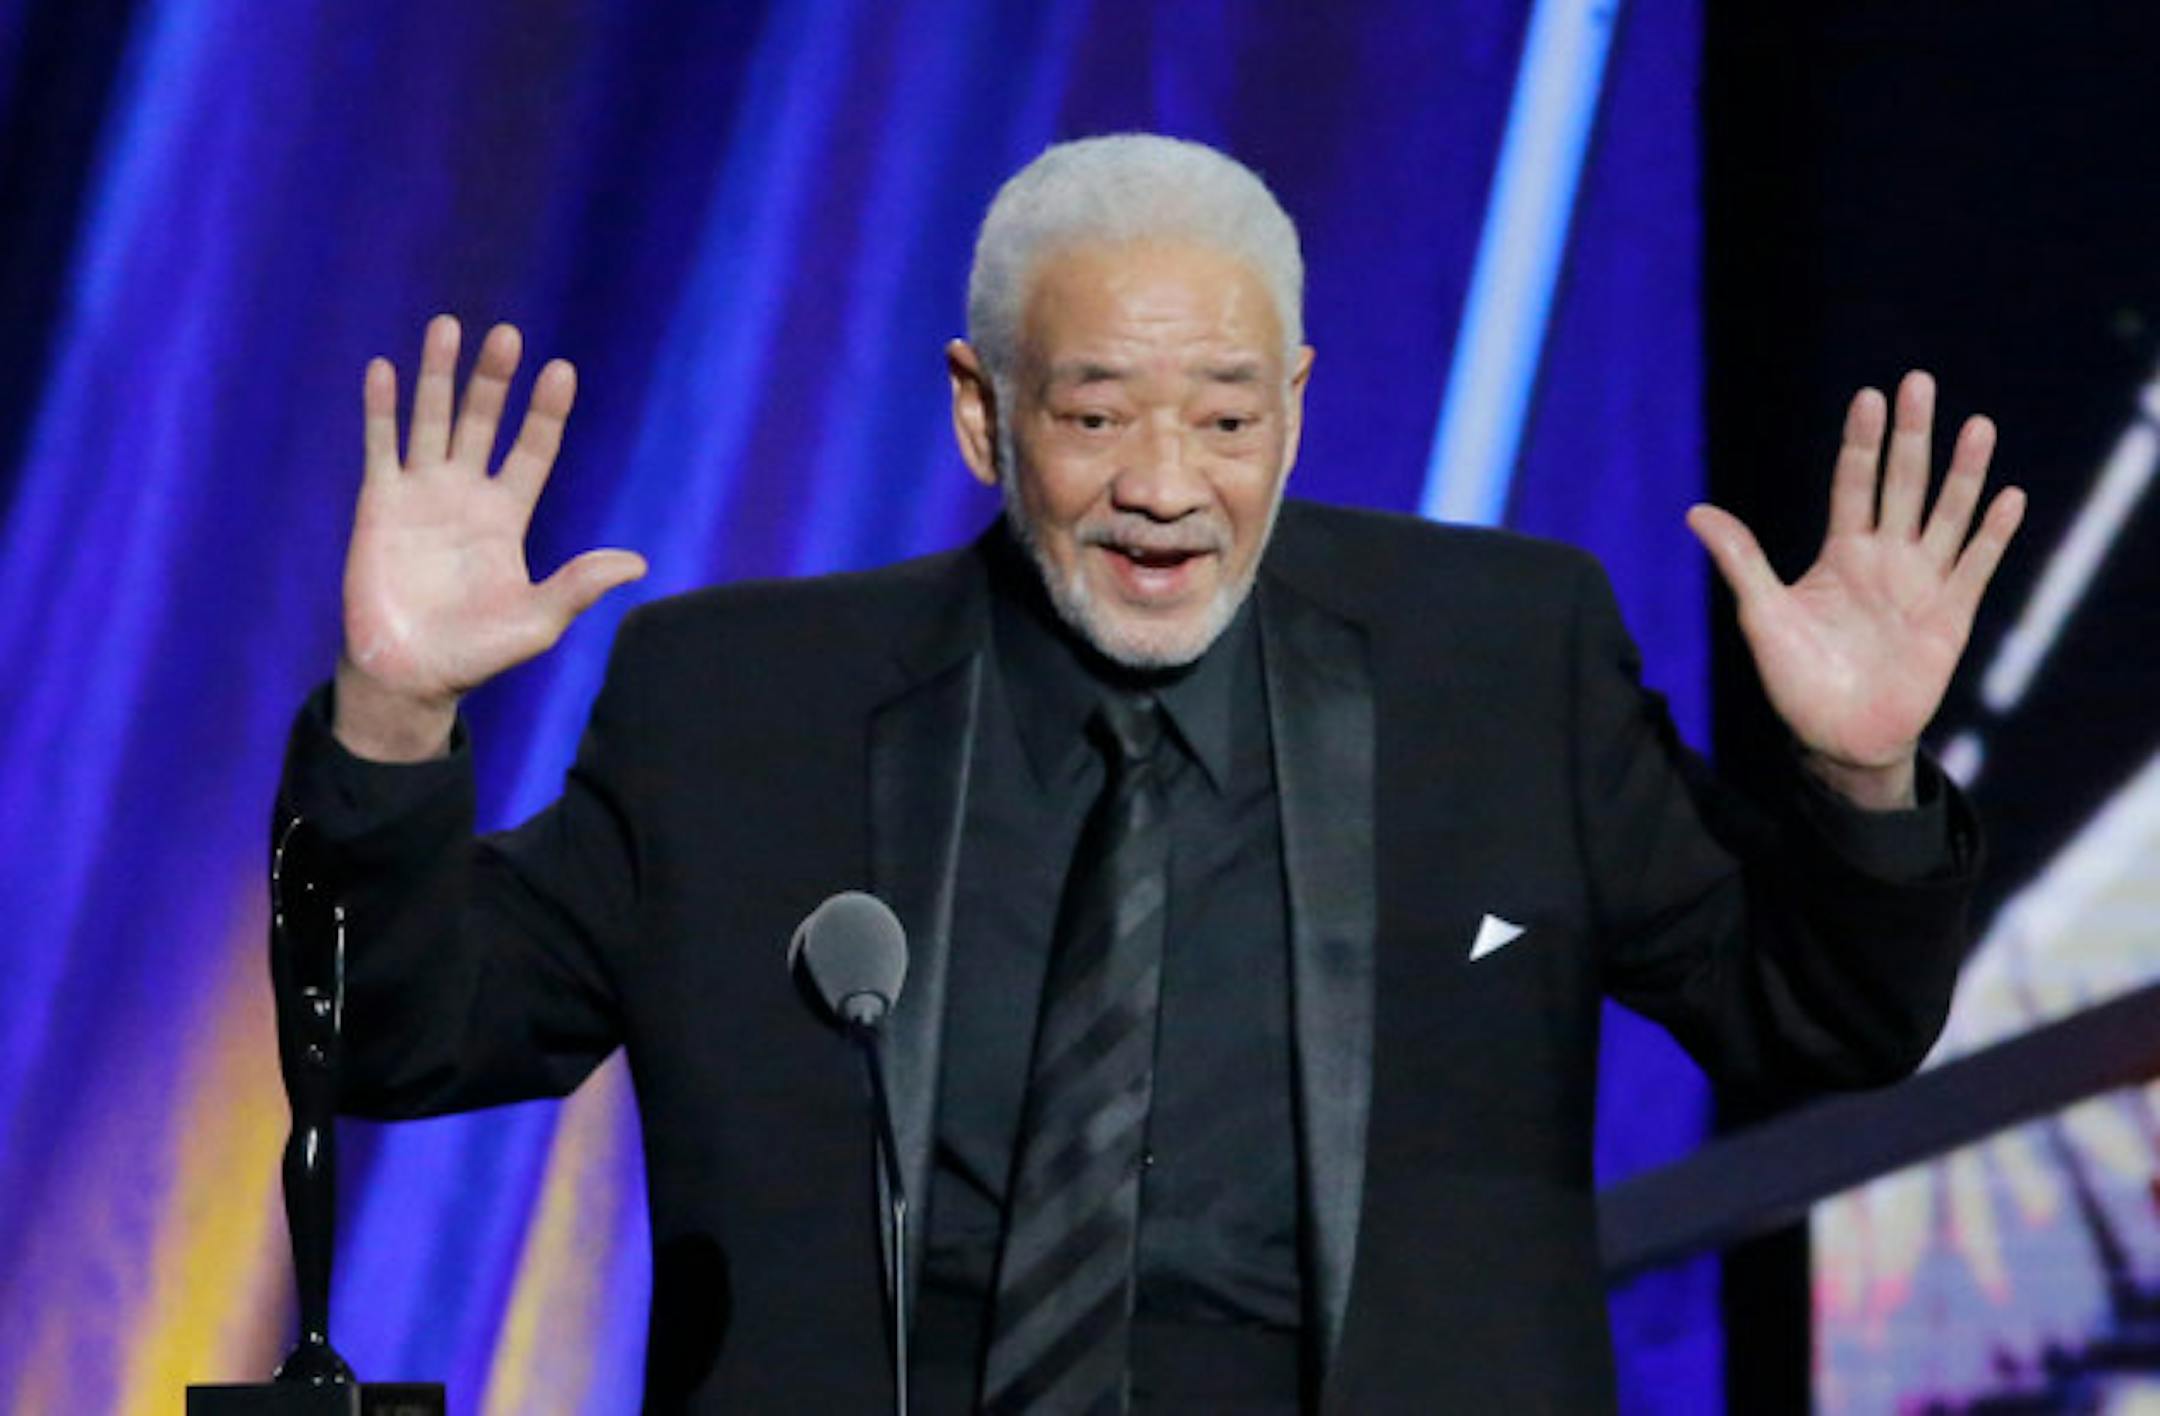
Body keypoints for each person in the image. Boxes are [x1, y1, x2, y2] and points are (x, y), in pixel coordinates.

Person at [282, 135, 2025, 1412]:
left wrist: (1860, 782)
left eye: (1228, 413)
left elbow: (1823, 1020)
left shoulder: (1504, 658)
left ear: (1299, 401)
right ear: (982, 413)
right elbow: (404, 1030)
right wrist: (391, 718)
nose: (1167, 485)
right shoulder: (745, 698)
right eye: (1098, 412)